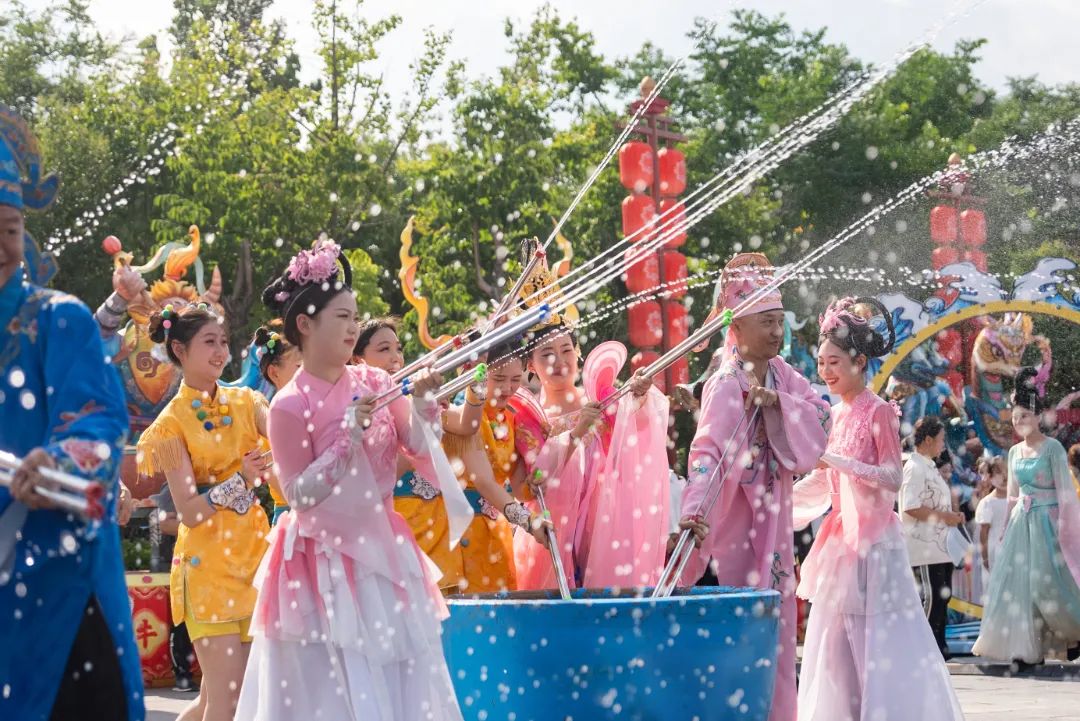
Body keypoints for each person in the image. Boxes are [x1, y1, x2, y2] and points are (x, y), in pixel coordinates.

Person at [236, 239, 467, 720]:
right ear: (305, 324)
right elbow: (297, 493)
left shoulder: (376, 383)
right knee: (330, 690)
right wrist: (346, 440)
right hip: (320, 558)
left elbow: (416, 446)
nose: (352, 327)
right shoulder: (288, 405)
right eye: (342, 317)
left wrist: (425, 403)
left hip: (382, 546)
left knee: (399, 679)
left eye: (355, 317)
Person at [0, 105, 144, 721]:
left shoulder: (58, 319)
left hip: (57, 579)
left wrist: (58, 461)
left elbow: (98, 421)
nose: (2, 246)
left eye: (9, 228)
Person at [792, 297, 963, 721]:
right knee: (834, 641)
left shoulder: (879, 411)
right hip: (840, 540)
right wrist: (782, 501)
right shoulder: (835, 414)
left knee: (878, 638)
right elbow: (827, 482)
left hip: (875, 542)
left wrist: (838, 462)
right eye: (821, 363)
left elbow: (891, 477)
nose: (825, 371)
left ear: (860, 361)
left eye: (833, 362)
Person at [676, 253, 830, 721]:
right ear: (737, 327)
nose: (777, 332)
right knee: (744, 623)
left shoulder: (782, 374)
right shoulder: (726, 382)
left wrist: (777, 403)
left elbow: (821, 413)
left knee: (778, 621)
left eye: (779, 321)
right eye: (767, 322)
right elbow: (708, 451)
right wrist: (695, 510)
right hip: (738, 517)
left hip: (775, 512)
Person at [136, 303, 272, 721]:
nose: (220, 351)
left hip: (255, 561)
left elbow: (290, 435)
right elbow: (191, 512)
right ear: (179, 349)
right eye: (209, 342)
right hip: (208, 570)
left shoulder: (248, 402)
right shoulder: (169, 425)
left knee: (233, 700)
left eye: (224, 342)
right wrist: (243, 480)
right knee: (228, 703)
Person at [510, 248, 666, 591]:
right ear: (531, 366)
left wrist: (640, 397)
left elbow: (635, 433)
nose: (559, 361)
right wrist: (573, 435)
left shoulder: (600, 399)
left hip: (603, 523)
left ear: (578, 353)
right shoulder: (529, 416)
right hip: (553, 528)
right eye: (546, 354)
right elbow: (533, 482)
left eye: (566, 350)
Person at [973, 367, 1080, 666]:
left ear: (1038, 416)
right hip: (1022, 522)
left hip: (1048, 524)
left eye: (1024, 416)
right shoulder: (1014, 452)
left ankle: (1073, 633)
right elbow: (1013, 495)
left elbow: (1066, 494)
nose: (1018, 422)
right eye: (1015, 417)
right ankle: (1026, 648)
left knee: (1048, 585)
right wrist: (1006, 528)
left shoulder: (1053, 448)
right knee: (1018, 585)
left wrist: (1066, 529)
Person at [899, 415, 964, 659]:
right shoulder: (914, 468)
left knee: (942, 597)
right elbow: (911, 506)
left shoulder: (929, 466)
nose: (943, 444)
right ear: (927, 440)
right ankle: (923, 649)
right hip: (923, 548)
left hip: (940, 546)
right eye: (940, 439)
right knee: (931, 597)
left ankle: (938, 646)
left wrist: (952, 516)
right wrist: (945, 517)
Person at [249, 323, 299, 525]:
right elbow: (286, 490)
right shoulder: (268, 424)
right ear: (274, 373)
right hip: (292, 517)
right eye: (299, 367)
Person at [974, 457, 1008, 573]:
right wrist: (985, 557)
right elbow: (983, 532)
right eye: (998, 472)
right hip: (997, 550)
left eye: (1006, 471)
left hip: (1016, 547)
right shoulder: (987, 503)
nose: (1004, 475)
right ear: (990, 477)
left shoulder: (1017, 498)